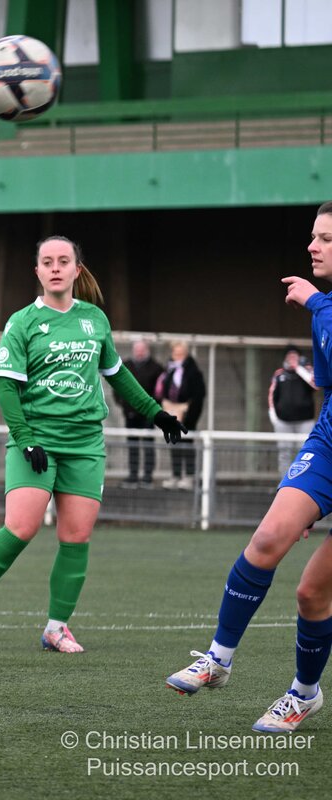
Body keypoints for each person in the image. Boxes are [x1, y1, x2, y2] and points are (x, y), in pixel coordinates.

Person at [0, 236, 186, 652]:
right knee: (20, 528)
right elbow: (5, 387)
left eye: (63, 261)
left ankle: (56, 628)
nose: (55, 268)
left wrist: (156, 413)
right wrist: (25, 439)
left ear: (77, 269)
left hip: (85, 443)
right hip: (36, 440)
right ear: (37, 271)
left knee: (76, 537)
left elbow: (118, 375)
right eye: (47, 262)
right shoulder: (22, 322)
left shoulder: (94, 319)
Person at [163, 202, 332, 733]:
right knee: (266, 539)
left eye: (326, 238)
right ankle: (218, 659)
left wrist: (317, 303)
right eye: (313, 235)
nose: (312, 246)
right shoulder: (325, 308)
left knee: (312, 592)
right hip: (329, 444)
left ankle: (304, 694)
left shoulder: (321, 306)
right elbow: (326, 388)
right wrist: (310, 496)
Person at [155, 340, 206, 489]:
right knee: (174, 442)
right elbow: (162, 390)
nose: (177, 357)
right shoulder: (168, 370)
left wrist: (189, 415)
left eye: (181, 354)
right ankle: (176, 474)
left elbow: (198, 395)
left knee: (187, 443)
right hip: (171, 410)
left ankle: (189, 475)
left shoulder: (193, 372)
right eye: (175, 354)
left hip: (187, 413)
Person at [118, 339, 164, 486]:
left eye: (142, 350)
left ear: (147, 350)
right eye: (137, 350)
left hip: (148, 414)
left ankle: (147, 476)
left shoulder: (156, 368)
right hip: (130, 413)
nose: (139, 353)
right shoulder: (125, 366)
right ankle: (133, 474)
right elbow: (117, 386)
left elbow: (160, 391)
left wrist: (153, 408)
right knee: (132, 446)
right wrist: (124, 404)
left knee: (148, 445)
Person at [269, 346, 317, 473]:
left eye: (294, 356)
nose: (292, 359)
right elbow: (272, 397)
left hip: (305, 422)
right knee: (284, 454)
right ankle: (284, 482)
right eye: (289, 356)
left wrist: (298, 368)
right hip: (283, 422)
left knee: (305, 454)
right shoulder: (279, 374)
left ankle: (304, 483)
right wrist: (275, 419)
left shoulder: (306, 372)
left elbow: (315, 384)